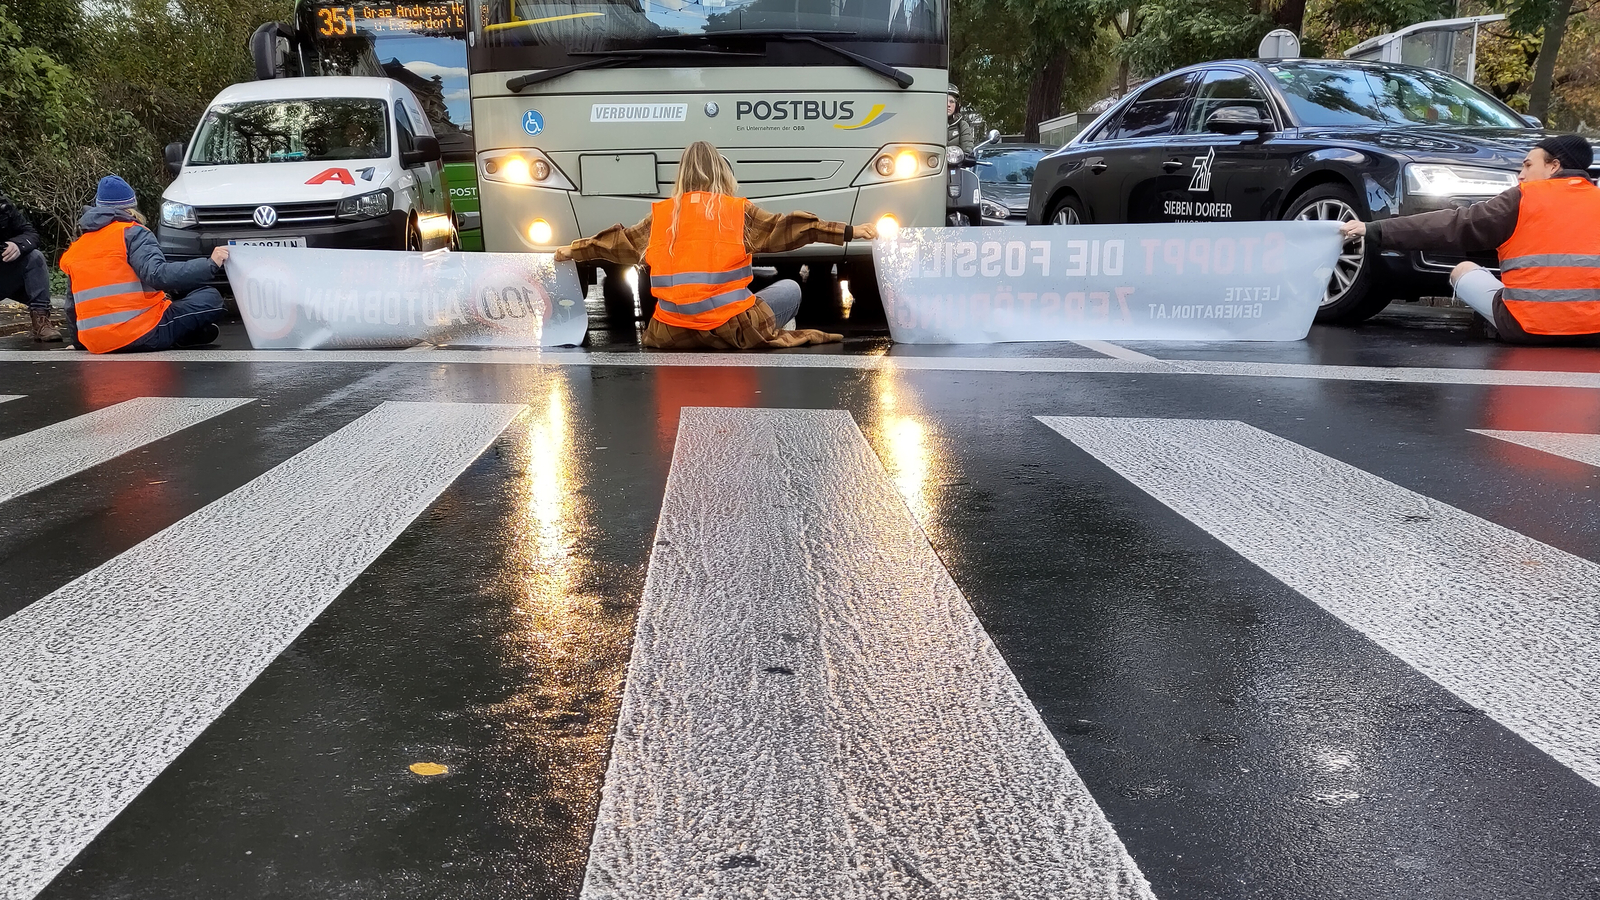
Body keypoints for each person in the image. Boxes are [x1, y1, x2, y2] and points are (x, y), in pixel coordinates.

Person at [553, 141, 879, 350]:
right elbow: (792, 228)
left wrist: (572, 250)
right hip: (731, 329)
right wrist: (850, 231)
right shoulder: (737, 212)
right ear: (723, 174)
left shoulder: (662, 217)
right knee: (790, 288)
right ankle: (768, 330)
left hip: (670, 333)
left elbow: (613, 243)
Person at [1340, 135, 1599, 344]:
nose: (1521, 174)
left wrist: (1375, 229)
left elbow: (1453, 225)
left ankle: (1489, 328)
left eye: (1528, 165)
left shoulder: (1521, 198)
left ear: (1554, 166)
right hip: (1594, 332)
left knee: (1463, 270)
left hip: (1523, 328)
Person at [59, 175, 229, 353]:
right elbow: (158, 275)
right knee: (211, 298)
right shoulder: (132, 232)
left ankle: (182, 334)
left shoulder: (78, 247)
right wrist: (210, 264)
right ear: (131, 207)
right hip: (142, 333)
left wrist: (79, 344)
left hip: (96, 343)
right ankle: (184, 334)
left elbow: (71, 305)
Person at [0, 192, 60, 342]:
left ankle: (41, 322)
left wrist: (18, 245)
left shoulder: (3, 206)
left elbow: (30, 233)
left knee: (34, 257)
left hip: (5, 272)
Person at [947, 86, 975, 160]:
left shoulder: (962, 125)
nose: (948, 105)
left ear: (956, 106)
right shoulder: (930, 125)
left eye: (951, 101)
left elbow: (967, 148)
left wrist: (967, 155)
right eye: (944, 100)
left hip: (955, 168)